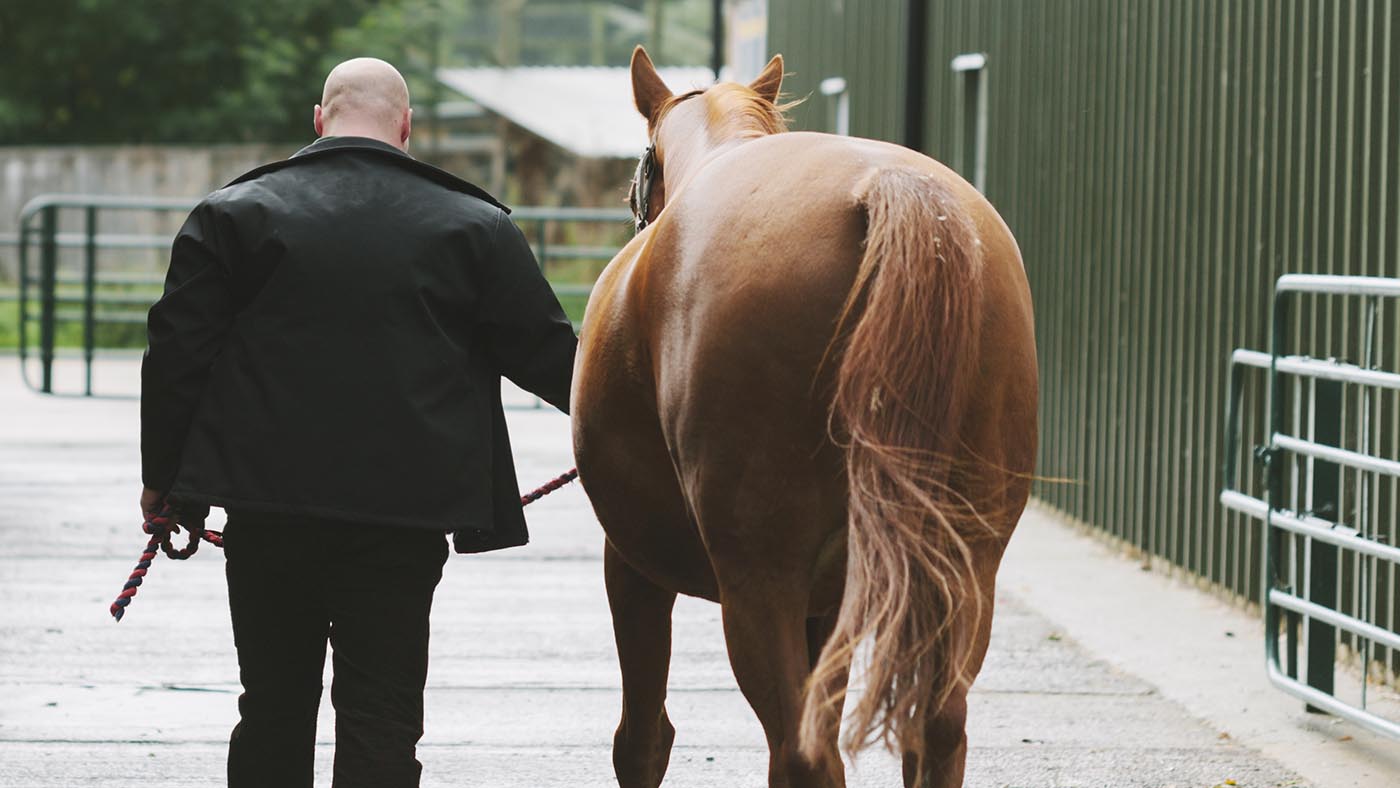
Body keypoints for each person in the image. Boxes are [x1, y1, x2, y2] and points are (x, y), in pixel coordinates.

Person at [139, 57, 578, 788]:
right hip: (404, 522)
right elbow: (556, 365)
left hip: (267, 512)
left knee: (273, 709)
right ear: (406, 127)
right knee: (383, 716)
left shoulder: (233, 215)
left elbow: (177, 355)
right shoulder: (476, 226)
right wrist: (657, 428)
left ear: (320, 118)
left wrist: (164, 484)